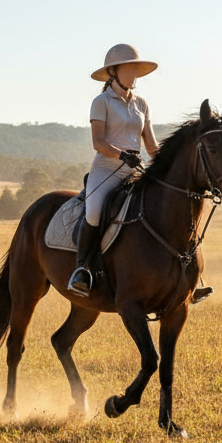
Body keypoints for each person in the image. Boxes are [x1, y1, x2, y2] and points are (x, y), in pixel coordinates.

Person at [68, 44, 160, 296]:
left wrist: (167, 163)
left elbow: (152, 146)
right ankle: (81, 269)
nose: (134, 73)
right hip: (107, 169)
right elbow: (98, 143)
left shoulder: (142, 104)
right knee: (94, 212)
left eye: (136, 68)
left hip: (135, 170)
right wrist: (122, 155)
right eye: (129, 68)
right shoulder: (101, 102)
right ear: (113, 71)